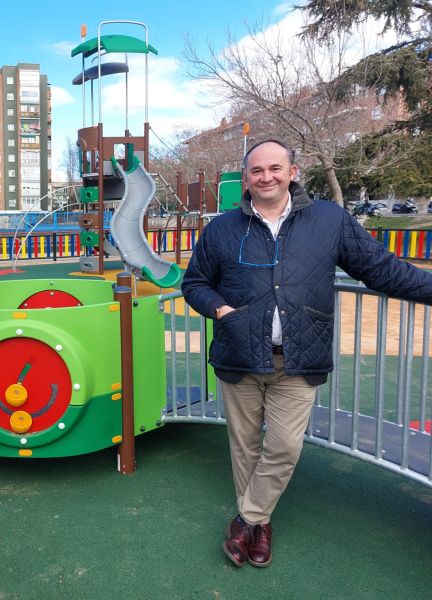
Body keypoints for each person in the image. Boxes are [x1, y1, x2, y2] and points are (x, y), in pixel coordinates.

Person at [181, 139, 432, 568]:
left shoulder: (329, 220)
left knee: (282, 447)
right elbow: (195, 284)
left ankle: (247, 519)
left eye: (275, 168)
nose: (266, 177)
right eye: (257, 170)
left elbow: (380, 269)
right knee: (244, 447)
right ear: (246, 179)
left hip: (299, 357)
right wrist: (223, 312)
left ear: (293, 172)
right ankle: (260, 527)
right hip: (238, 354)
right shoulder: (222, 229)